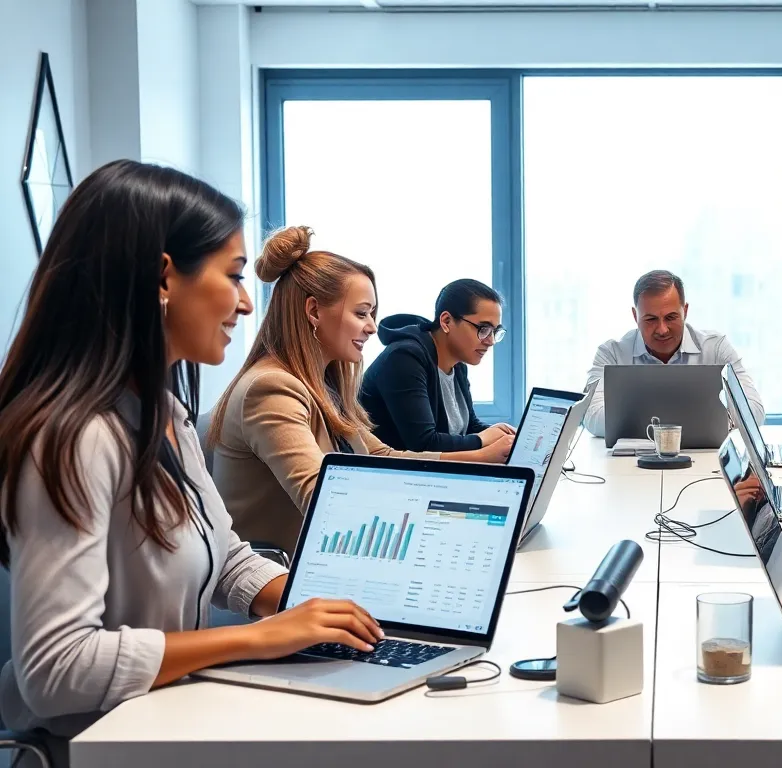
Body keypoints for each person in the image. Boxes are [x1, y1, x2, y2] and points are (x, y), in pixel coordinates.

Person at [0, 162, 380, 766]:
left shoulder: (164, 412)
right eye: (232, 275)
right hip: (99, 746)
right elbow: (56, 667)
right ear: (162, 278)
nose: (247, 302)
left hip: (171, 720)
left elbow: (226, 559)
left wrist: (318, 609)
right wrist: (255, 638)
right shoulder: (73, 437)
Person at [210, 229, 509, 556]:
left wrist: (472, 475)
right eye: (361, 313)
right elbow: (325, 498)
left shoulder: (323, 386)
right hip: (284, 579)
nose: (371, 327)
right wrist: (446, 513)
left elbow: (383, 457)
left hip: (331, 555)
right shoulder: (271, 388)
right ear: (313, 312)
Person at [583, 269, 765, 437]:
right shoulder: (611, 354)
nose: (662, 329)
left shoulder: (715, 348)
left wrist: (644, 421)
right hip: (630, 464)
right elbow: (591, 416)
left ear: (685, 311)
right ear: (635, 316)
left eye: (670, 317)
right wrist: (699, 422)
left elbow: (755, 412)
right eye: (651, 319)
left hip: (705, 463)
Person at [359, 279, 515, 453]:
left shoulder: (458, 365)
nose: (491, 341)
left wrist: (503, 435)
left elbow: (468, 427)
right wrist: (482, 440)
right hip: (392, 475)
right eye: (483, 329)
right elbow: (424, 443)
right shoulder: (404, 358)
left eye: (495, 331)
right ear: (446, 321)